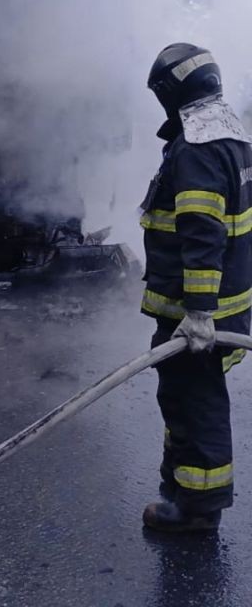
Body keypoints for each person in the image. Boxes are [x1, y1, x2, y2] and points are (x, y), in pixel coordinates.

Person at [139, 43, 252, 533]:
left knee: (196, 399)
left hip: (198, 312)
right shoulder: (232, 135)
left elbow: (202, 231)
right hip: (223, 303)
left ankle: (198, 508)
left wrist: (200, 313)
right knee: (183, 395)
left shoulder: (197, 150)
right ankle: (180, 481)